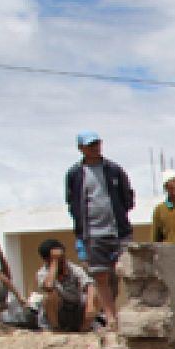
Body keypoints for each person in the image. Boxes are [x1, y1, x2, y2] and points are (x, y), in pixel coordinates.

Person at [64, 131, 134, 330]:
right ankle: (111, 318)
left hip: (118, 231)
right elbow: (72, 202)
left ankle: (128, 311)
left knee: (124, 270)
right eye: (90, 145)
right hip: (92, 233)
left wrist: (119, 213)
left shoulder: (114, 170)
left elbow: (127, 197)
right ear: (81, 149)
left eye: (97, 144)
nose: (95, 148)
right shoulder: (74, 174)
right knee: (100, 275)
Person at [34, 238, 97, 333]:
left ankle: (84, 328)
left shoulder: (74, 269)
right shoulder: (43, 272)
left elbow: (89, 285)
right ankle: (55, 329)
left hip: (75, 309)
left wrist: (90, 306)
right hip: (59, 312)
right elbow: (49, 286)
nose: (63, 260)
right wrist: (54, 262)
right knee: (50, 296)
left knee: (95, 295)